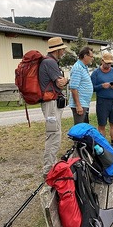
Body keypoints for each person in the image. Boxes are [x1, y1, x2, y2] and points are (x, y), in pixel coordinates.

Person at [39, 37, 69, 179]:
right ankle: (48, 170)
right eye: (62, 49)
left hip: (51, 104)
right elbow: (60, 83)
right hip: (50, 105)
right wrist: (67, 80)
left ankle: (51, 165)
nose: (63, 51)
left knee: (54, 132)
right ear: (57, 50)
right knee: (53, 133)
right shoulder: (50, 63)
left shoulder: (48, 61)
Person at [91, 53, 113, 153]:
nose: (108, 65)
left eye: (110, 63)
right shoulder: (96, 73)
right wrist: (101, 86)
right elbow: (91, 88)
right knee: (102, 125)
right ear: (102, 61)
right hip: (102, 102)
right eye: (106, 63)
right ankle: (103, 145)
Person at [69, 46, 94, 124]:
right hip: (80, 104)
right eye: (91, 57)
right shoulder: (78, 68)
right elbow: (73, 88)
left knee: (83, 127)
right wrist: (78, 105)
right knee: (79, 128)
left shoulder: (84, 67)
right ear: (85, 56)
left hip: (84, 102)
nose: (92, 59)